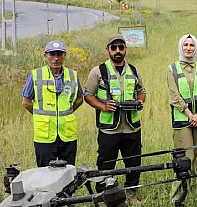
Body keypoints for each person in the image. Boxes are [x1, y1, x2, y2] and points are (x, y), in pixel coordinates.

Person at [84, 34, 146, 194]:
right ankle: (103, 194)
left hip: (131, 127)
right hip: (109, 129)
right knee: (106, 163)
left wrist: (140, 102)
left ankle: (131, 192)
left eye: (121, 47)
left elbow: (141, 91)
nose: (117, 51)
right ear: (108, 50)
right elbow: (88, 95)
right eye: (114, 47)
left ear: (125, 49)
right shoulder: (98, 71)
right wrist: (103, 106)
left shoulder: (134, 70)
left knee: (133, 162)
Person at [22, 40, 83, 167]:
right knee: (45, 173)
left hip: (67, 134)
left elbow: (79, 99)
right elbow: (26, 102)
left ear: (65, 56)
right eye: (52, 54)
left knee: (68, 172)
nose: (56, 58)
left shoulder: (73, 75)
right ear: (46, 56)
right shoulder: (35, 75)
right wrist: (40, 115)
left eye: (59, 54)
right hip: (44, 135)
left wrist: (67, 111)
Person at [167, 34, 197, 198]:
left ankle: (190, 191)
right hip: (182, 120)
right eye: (185, 45)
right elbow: (174, 95)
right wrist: (189, 114)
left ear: (196, 48)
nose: (188, 48)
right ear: (180, 47)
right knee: (185, 158)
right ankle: (176, 195)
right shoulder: (172, 68)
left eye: (192, 45)